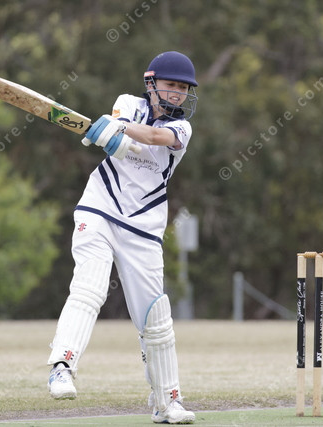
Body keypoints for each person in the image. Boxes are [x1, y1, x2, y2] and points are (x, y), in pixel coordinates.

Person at [46, 51, 198, 424]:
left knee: (155, 319)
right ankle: (62, 367)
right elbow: (120, 128)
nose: (177, 93)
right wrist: (111, 134)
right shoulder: (128, 104)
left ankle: (167, 402)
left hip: (143, 227)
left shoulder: (182, 128)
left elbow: (154, 136)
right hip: (99, 209)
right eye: (171, 85)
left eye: (183, 88)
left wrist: (119, 132)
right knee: (90, 288)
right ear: (151, 83)